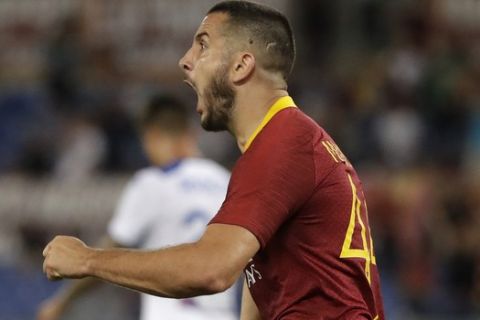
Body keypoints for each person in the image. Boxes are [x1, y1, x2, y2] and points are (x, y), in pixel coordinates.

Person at [42, 1, 385, 319]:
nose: (185, 60)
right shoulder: (286, 145)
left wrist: (87, 259)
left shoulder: (282, 146)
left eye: (203, 45)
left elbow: (211, 270)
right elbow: (265, 282)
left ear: (241, 65)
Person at [38, 94, 237, 320]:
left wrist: (61, 302)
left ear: (152, 137)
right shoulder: (227, 183)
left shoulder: (152, 183)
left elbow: (108, 253)